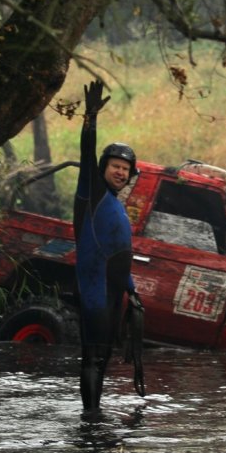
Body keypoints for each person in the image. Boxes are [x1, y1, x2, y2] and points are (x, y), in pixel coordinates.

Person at [73, 80, 138, 415]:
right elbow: (86, 151)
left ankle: (94, 412)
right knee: (93, 355)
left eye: (126, 170)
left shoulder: (116, 204)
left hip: (114, 292)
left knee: (105, 357)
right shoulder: (92, 192)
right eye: (116, 166)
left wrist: (132, 289)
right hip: (95, 289)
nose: (120, 173)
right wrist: (90, 118)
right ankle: (90, 418)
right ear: (104, 168)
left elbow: (121, 255)